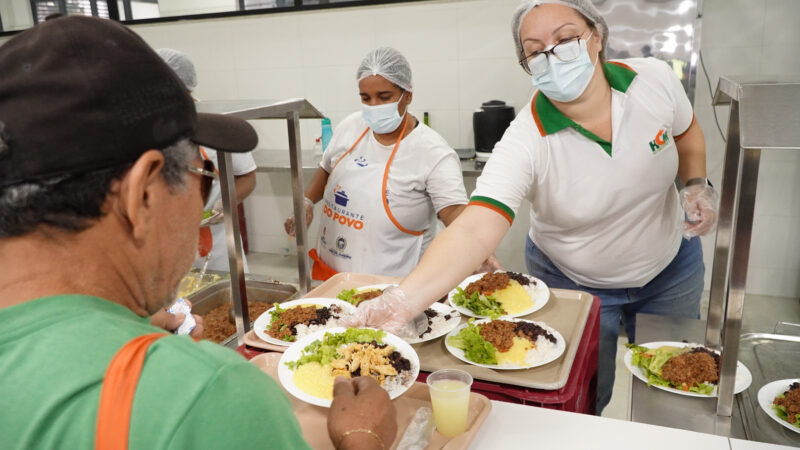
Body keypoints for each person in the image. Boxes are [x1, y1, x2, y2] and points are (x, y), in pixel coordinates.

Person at [0, 16, 395, 449]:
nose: (207, 191)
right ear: (143, 192)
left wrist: (115, 324)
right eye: (205, 174)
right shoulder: (206, 396)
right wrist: (363, 437)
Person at [344, 0, 718, 414]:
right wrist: (400, 302)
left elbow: (687, 133)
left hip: (670, 269)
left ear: (597, 36)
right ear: (526, 63)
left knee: (678, 383)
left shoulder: (653, 80)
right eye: (535, 49)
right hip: (575, 281)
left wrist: (696, 184)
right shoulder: (526, 137)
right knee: (588, 393)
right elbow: (473, 228)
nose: (552, 55)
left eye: (565, 39)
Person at [284, 47, 499, 279]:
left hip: (391, 284)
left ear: (408, 95)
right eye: (365, 98)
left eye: (384, 97)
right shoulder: (350, 126)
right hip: (332, 274)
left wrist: (477, 249)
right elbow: (326, 168)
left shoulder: (433, 152)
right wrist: (307, 202)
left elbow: (454, 211)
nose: (374, 105)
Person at [157, 48, 258, 273]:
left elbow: (248, 177)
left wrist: (227, 203)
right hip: (165, 242)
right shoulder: (148, 126)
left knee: (229, 298)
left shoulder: (216, 124)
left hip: (218, 242)